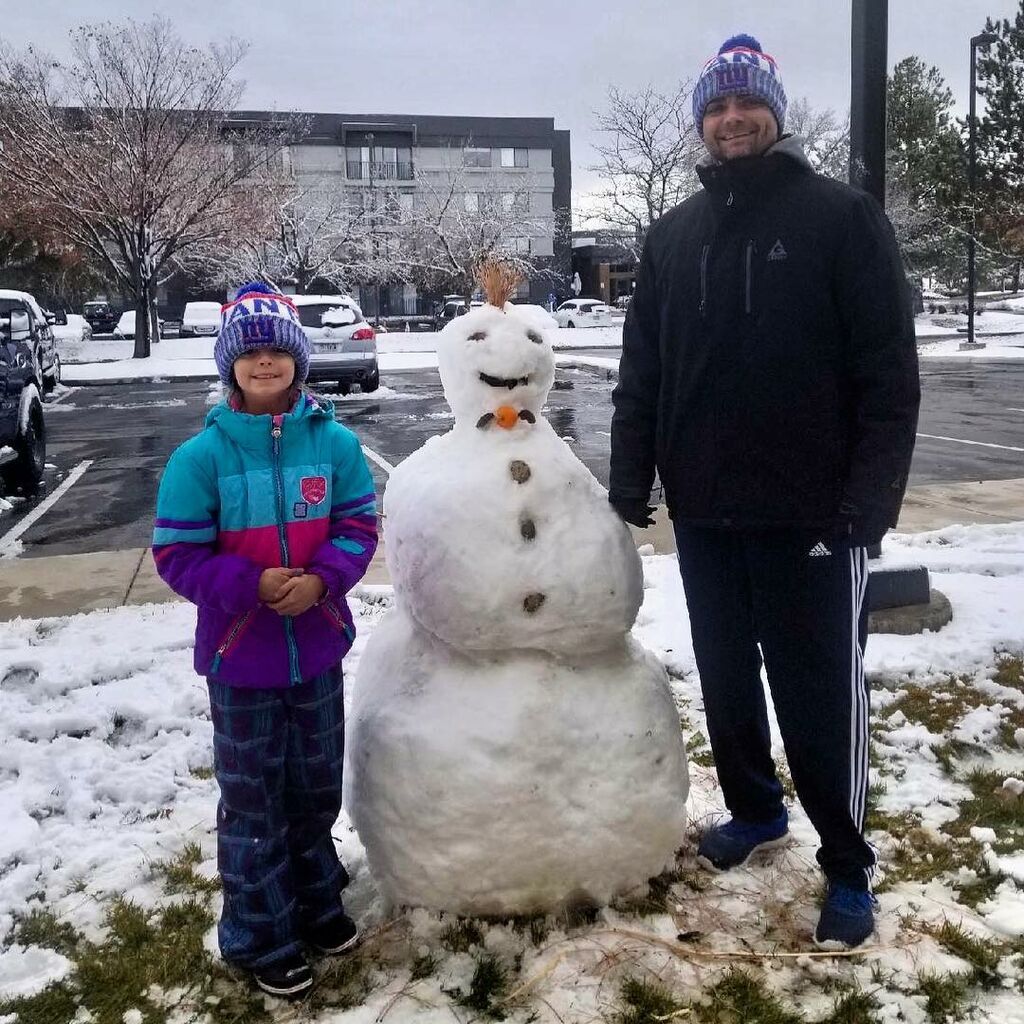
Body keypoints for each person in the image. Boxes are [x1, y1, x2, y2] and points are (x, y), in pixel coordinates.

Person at [609, 34, 920, 949]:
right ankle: (755, 809)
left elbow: (887, 376)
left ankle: (848, 860)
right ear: (702, 125)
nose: (730, 119)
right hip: (707, 511)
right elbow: (643, 374)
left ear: (773, 114)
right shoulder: (672, 237)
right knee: (726, 676)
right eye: (715, 108)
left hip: (816, 515)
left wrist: (870, 503)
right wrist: (632, 481)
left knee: (819, 692)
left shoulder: (842, 218)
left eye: (745, 104)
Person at [152, 282, 378, 996]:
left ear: (299, 361)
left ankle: (316, 902)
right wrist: (251, 585)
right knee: (254, 799)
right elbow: (177, 553)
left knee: (313, 788)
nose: (266, 361)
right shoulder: (200, 459)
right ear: (230, 366)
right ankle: (259, 931)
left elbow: (357, 527)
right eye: (250, 351)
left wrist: (323, 582)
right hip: (239, 658)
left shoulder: (336, 445)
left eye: (279, 348)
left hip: (316, 648)